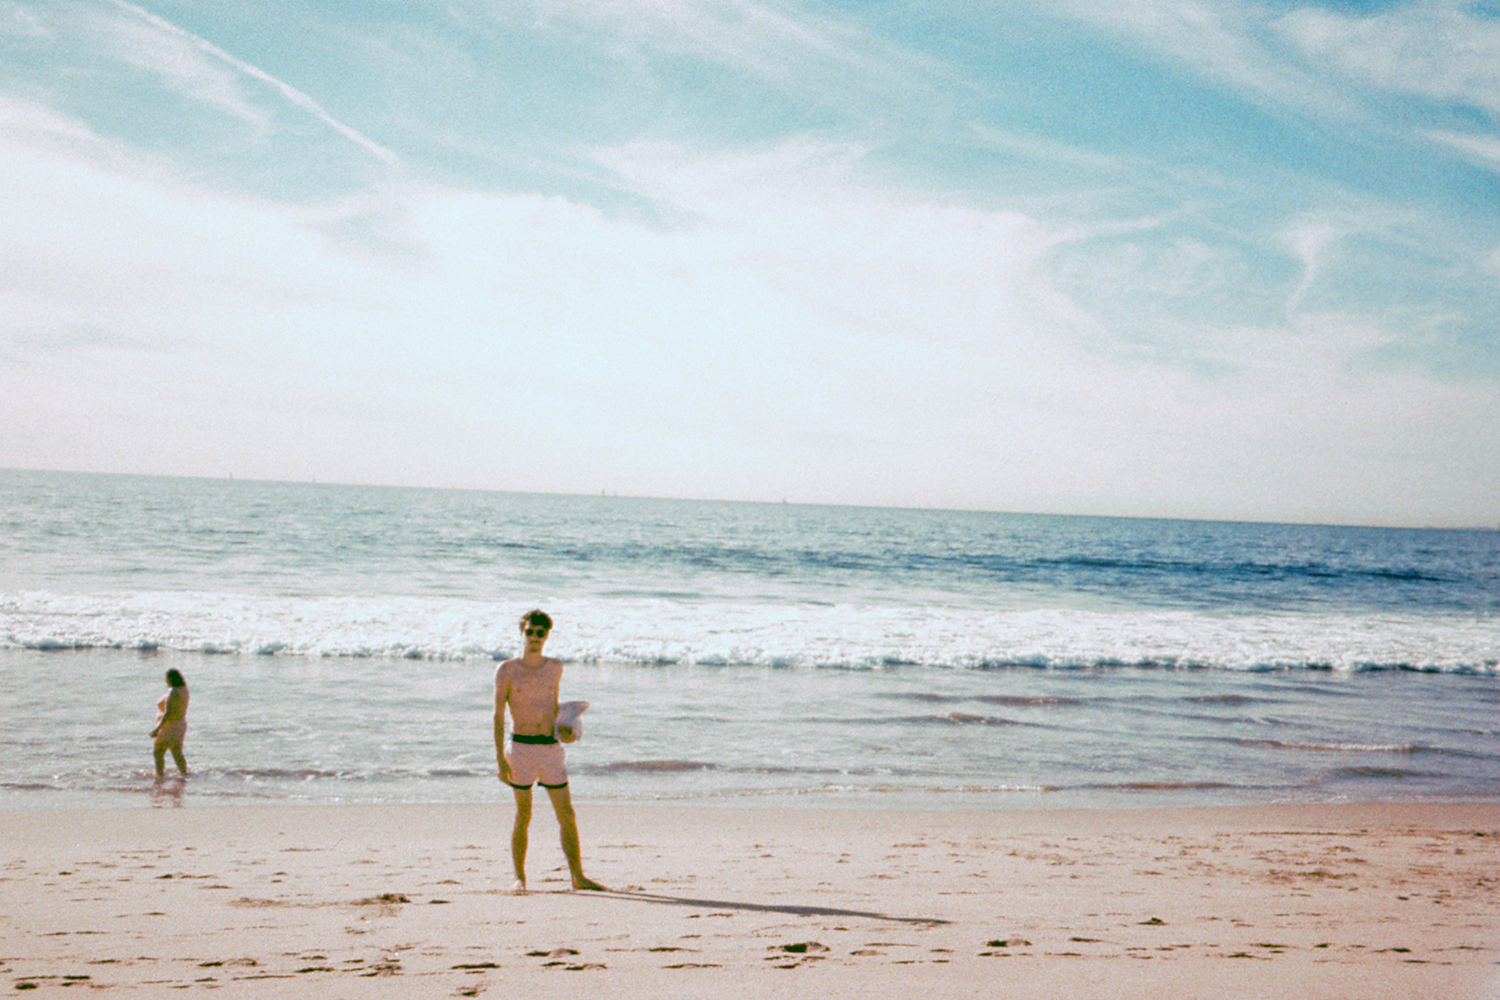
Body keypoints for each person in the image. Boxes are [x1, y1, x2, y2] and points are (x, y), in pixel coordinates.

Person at [494, 610, 604, 893]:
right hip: (520, 748)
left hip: (549, 749)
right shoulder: (506, 670)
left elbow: (553, 707)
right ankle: (519, 878)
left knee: (566, 813)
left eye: (540, 633)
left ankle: (578, 876)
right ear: (522, 632)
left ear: (547, 636)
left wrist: (567, 730)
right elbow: (497, 716)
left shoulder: (554, 667)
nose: (534, 637)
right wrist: (499, 760)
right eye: (530, 632)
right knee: (523, 814)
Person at [150, 668, 189, 780]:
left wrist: (157, 729)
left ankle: (160, 775)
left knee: (158, 751)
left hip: (170, 724)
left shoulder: (173, 691)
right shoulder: (184, 690)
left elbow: (168, 712)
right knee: (176, 751)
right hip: (180, 724)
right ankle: (184, 774)